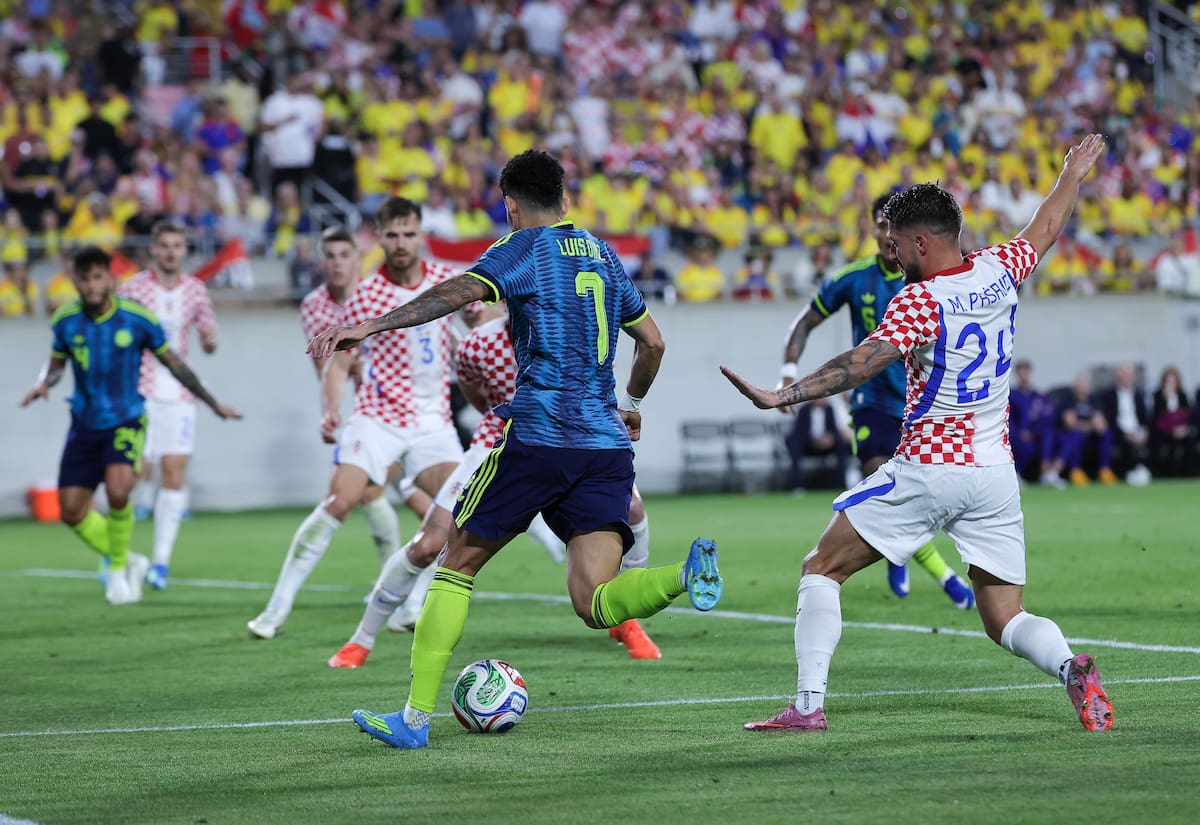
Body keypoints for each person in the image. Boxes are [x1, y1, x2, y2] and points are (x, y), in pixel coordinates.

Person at [308, 150, 723, 748]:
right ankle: (684, 575)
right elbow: (653, 342)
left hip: (538, 437)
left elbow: (454, 292)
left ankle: (414, 722)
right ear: (566, 196)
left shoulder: (523, 249)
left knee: (457, 562)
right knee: (595, 600)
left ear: (510, 203)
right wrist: (631, 404)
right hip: (605, 448)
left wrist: (371, 326)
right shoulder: (605, 255)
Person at [721, 134, 1114, 733]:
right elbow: (1046, 226)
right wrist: (1072, 175)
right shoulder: (999, 270)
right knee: (1005, 616)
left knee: (820, 569)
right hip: (995, 475)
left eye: (895, 241)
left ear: (922, 242)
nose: (889, 250)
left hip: (931, 464)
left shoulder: (919, 300)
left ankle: (806, 707)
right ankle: (1069, 667)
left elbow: (865, 361)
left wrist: (787, 393)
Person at [327, 303, 660, 669]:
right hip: (498, 443)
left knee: (632, 510)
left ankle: (628, 622)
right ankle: (361, 640)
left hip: (571, 442)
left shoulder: (577, 333)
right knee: (429, 546)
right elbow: (476, 395)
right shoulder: (477, 344)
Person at [247, 198, 465, 640]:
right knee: (340, 501)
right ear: (379, 238)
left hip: (433, 423)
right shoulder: (366, 294)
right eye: (392, 234)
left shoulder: (447, 281)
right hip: (377, 418)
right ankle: (275, 609)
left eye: (409, 233)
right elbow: (341, 365)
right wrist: (330, 412)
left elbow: (488, 322)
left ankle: (413, 604)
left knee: (459, 516)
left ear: (421, 235)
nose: (401, 243)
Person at [778, 193, 974, 609]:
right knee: (881, 477)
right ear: (873, 229)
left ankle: (898, 552)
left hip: (923, 403)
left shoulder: (933, 276)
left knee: (916, 495)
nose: (888, 235)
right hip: (871, 402)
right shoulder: (853, 278)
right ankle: (947, 579)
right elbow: (805, 321)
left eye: (894, 227)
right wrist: (789, 373)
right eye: (881, 225)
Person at [19, 245, 241, 605]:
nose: (91, 286)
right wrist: (45, 382)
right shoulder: (65, 321)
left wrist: (213, 403)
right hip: (84, 424)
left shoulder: (137, 319)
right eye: (84, 278)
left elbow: (175, 364)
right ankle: (133, 558)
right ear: (74, 281)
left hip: (126, 420)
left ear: (110, 278)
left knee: (119, 491)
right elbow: (57, 363)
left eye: (97, 277)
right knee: (71, 511)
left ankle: (118, 571)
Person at [299, 226, 433, 580]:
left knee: (383, 492)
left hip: (409, 405)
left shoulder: (378, 292)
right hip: (368, 410)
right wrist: (331, 412)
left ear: (358, 260)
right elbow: (326, 368)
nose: (338, 263)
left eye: (345, 255)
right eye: (330, 256)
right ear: (321, 262)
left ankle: (403, 582)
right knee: (390, 493)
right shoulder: (314, 306)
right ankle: (403, 580)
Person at [116, 221, 219, 588]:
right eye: (165, 245)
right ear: (154, 249)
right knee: (126, 476)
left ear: (184, 250)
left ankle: (160, 562)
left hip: (179, 394)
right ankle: (118, 555)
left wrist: (209, 340)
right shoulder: (134, 288)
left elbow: (208, 333)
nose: (172, 251)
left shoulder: (195, 290)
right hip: (139, 391)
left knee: (174, 472)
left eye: (178, 245)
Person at [1054, 373, 1117, 486]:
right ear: (1076, 386)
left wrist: (1086, 424)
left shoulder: (1094, 400)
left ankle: (1105, 470)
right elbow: (1070, 423)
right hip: (1072, 437)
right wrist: (1090, 424)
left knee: (1107, 433)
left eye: (1086, 384)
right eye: (1081, 384)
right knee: (1076, 433)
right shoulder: (1069, 400)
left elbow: (1100, 424)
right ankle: (1075, 471)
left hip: (1090, 437)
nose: (1084, 387)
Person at [1008, 360, 1062, 486]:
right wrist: (1020, 432)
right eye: (1022, 371)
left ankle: (1047, 471)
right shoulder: (1011, 395)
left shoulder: (1038, 395)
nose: (1024, 374)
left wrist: (1034, 429)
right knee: (1022, 444)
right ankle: (1017, 474)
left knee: (1049, 434)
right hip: (1018, 435)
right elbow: (1008, 418)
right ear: (1017, 374)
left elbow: (1049, 416)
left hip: (1036, 435)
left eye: (1027, 371)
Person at [1098, 364, 1151, 482]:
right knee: (1123, 442)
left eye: (1127, 376)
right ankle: (1130, 472)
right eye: (1122, 376)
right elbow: (1110, 419)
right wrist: (1127, 435)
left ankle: (1148, 470)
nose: (1124, 379)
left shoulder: (1139, 395)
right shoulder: (1109, 395)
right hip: (1119, 431)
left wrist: (1145, 432)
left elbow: (1144, 418)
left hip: (1137, 430)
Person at [784, 398, 851, 492]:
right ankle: (796, 485)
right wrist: (815, 441)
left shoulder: (829, 409)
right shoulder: (804, 410)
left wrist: (830, 438)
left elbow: (834, 429)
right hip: (809, 445)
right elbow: (800, 431)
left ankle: (839, 485)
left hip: (827, 445)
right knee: (795, 446)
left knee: (843, 446)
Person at [1150, 366, 1193, 477]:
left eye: (1173, 381)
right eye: (1168, 381)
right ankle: (1165, 474)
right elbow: (1156, 418)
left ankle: (1187, 473)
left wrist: (1184, 429)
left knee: (1189, 442)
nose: (1171, 384)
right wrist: (1166, 399)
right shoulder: (1158, 396)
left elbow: (1188, 415)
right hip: (1164, 432)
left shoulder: (1182, 396)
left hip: (1181, 431)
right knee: (1164, 444)